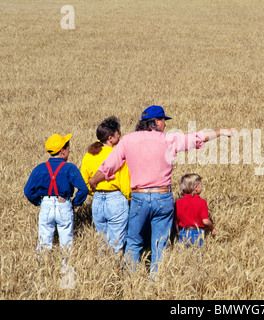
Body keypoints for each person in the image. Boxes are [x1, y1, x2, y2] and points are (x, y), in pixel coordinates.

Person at [88, 105, 235, 276]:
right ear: (156, 122)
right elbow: (198, 137)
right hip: (163, 197)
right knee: (160, 243)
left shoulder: (128, 140)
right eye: (164, 121)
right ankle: (156, 281)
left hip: (139, 197)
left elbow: (108, 165)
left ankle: (131, 280)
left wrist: (93, 181)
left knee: (134, 241)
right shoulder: (169, 139)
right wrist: (223, 131)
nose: (165, 125)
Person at [24, 133, 88, 260]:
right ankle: (67, 272)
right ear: (63, 151)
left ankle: (41, 271)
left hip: (46, 205)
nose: (69, 151)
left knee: (43, 241)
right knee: (66, 243)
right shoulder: (70, 168)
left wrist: (39, 202)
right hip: (64, 204)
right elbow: (83, 189)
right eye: (68, 148)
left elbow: (28, 191)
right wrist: (76, 202)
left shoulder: (40, 168)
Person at [80, 116, 131, 255]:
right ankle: (115, 274)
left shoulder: (89, 154)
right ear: (110, 138)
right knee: (116, 244)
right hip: (116, 200)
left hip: (97, 201)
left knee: (102, 243)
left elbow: (83, 181)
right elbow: (125, 183)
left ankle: (103, 272)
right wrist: (130, 199)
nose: (120, 135)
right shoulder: (118, 154)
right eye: (118, 133)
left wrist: (93, 191)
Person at [175, 173, 216, 248]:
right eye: (201, 185)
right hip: (197, 233)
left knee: (183, 257)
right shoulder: (202, 202)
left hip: (183, 232)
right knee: (197, 256)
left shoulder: (178, 202)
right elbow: (205, 221)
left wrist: (178, 232)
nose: (202, 187)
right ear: (196, 187)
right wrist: (213, 228)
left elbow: (176, 222)